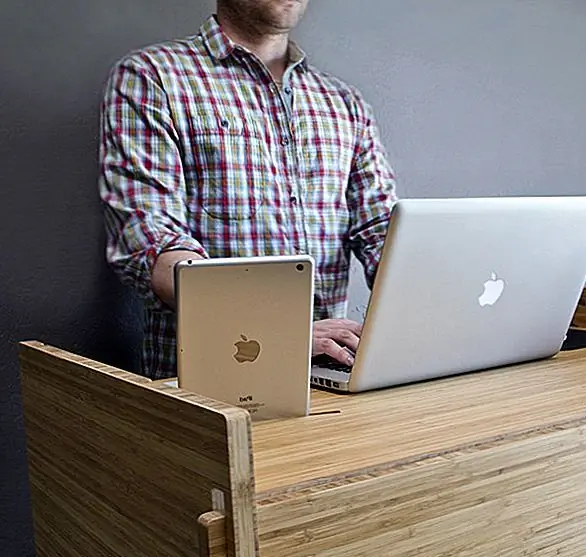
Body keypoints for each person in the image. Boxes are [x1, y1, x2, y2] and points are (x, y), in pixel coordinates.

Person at [98, 0, 396, 380]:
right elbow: (151, 242)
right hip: (211, 384)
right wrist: (281, 331)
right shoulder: (152, 78)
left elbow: (383, 234)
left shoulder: (345, 104)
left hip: (332, 379)